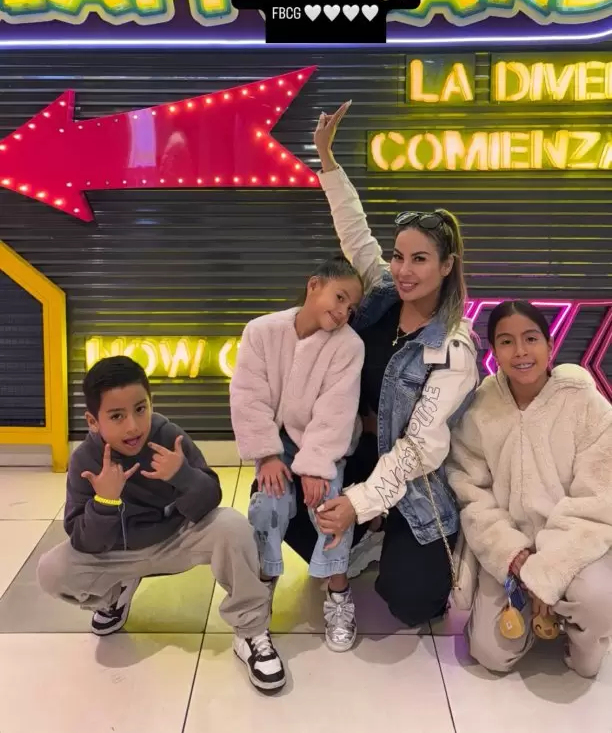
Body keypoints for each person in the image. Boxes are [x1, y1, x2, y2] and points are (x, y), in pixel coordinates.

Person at [281, 101, 480, 628]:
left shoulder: (453, 346)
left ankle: (382, 526)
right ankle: (360, 539)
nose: (404, 269)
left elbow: (419, 449)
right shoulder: (384, 292)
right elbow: (355, 232)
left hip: (413, 475)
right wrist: (327, 160)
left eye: (420, 259)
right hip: (352, 446)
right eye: (399, 256)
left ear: (447, 265)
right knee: (276, 493)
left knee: (411, 600)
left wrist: (359, 502)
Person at [37, 356, 286, 695]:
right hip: (118, 553)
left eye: (140, 409)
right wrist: (105, 502)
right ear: (93, 421)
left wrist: (182, 476)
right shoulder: (84, 460)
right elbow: (83, 541)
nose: (133, 426)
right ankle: (114, 595)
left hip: (176, 540)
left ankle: (251, 630)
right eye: (117, 416)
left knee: (232, 525)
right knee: (51, 570)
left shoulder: (168, 436)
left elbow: (211, 496)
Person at [447, 300, 612, 678]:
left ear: (550, 345)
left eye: (531, 338)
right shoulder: (482, 408)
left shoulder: (586, 403)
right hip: (512, 550)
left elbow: (598, 498)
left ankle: (581, 637)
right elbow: (470, 490)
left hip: (576, 547)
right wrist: (515, 556)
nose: (520, 351)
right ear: (494, 352)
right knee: (490, 654)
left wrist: (547, 572)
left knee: (599, 601)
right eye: (506, 341)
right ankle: (539, 620)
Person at [230, 256, 365, 651]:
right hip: (276, 441)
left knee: (330, 506)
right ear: (314, 285)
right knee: (267, 504)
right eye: (339, 297)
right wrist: (267, 455)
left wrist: (315, 465)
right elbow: (248, 395)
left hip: (324, 444)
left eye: (351, 308)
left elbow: (336, 410)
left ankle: (338, 593)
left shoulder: (349, 346)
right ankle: (262, 591)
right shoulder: (261, 331)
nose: (343, 312)